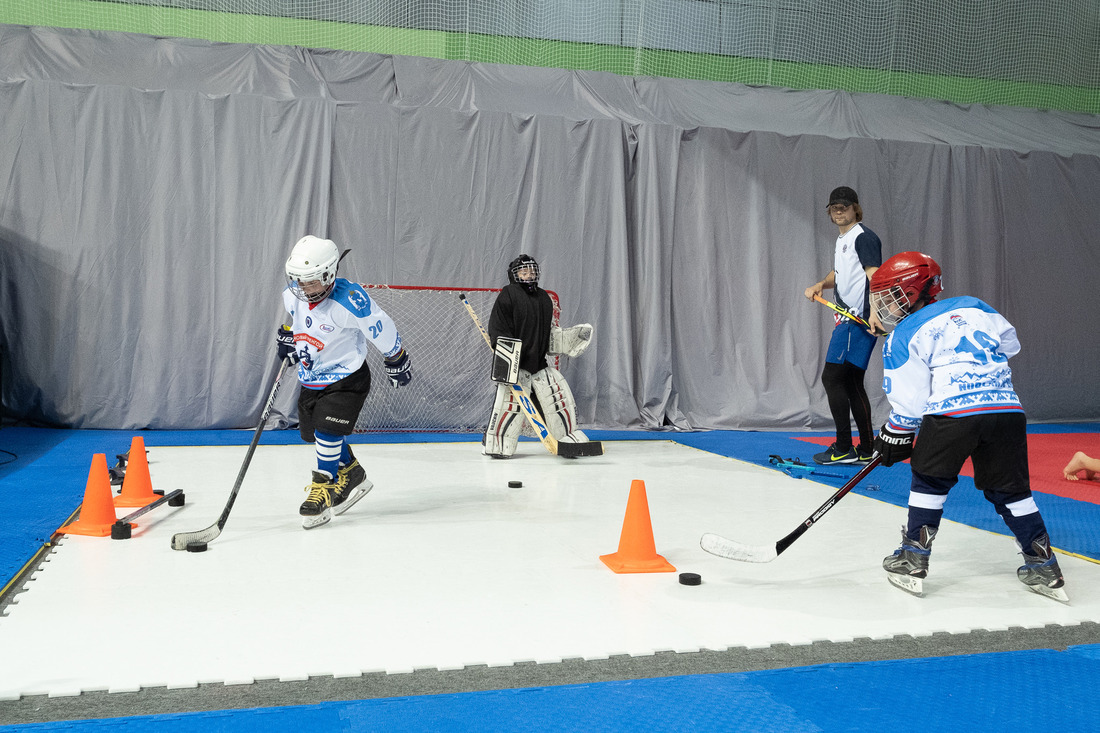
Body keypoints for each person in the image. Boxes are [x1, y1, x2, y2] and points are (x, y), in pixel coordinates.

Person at [869, 251, 1067, 602]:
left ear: (910, 293)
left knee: (930, 480)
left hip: (952, 416)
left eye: (890, 296)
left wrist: (894, 432)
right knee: (1012, 490)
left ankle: (914, 557)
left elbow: (911, 402)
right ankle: (1043, 563)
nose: (885, 306)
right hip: (1006, 410)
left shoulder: (904, 333)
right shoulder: (977, 305)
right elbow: (1010, 344)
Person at [278, 235, 412, 529]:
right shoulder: (295, 295)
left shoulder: (349, 300)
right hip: (312, 378)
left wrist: (396, 356)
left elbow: (379, 324)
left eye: (311, 281)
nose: (303, 287)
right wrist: (287, 335)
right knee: (315, 433)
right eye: (299, 280)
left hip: (346, 378)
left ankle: (322, 489)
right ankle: (352, 473)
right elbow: (296, 321)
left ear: (329, 275)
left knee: (327, 431)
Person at [482, 254, 593, 458]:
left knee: (557, 398)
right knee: (509, 406)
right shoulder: (508, 294)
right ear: (515, 275)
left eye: (532, 271)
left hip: (539, 365)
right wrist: (506, 357)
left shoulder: (544, 298)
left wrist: (565, 340)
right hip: (517, 367)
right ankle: (497, 442)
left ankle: (567, 436)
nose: (529, 275)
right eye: (524, 271)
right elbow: (498, 328)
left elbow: (546, 333)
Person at [804, 186, 882, 466]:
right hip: (849, 318)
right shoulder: (843, 240)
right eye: (834, 207)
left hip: (857, 319)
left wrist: (874, 312)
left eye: (844, 206)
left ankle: (844, 447)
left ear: (855, 209)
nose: (839, 210)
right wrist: (819, 284)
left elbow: (876, 276)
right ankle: (866, 449)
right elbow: (840, 274)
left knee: (832, 378)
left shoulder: (864, 237)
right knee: (851, 382)